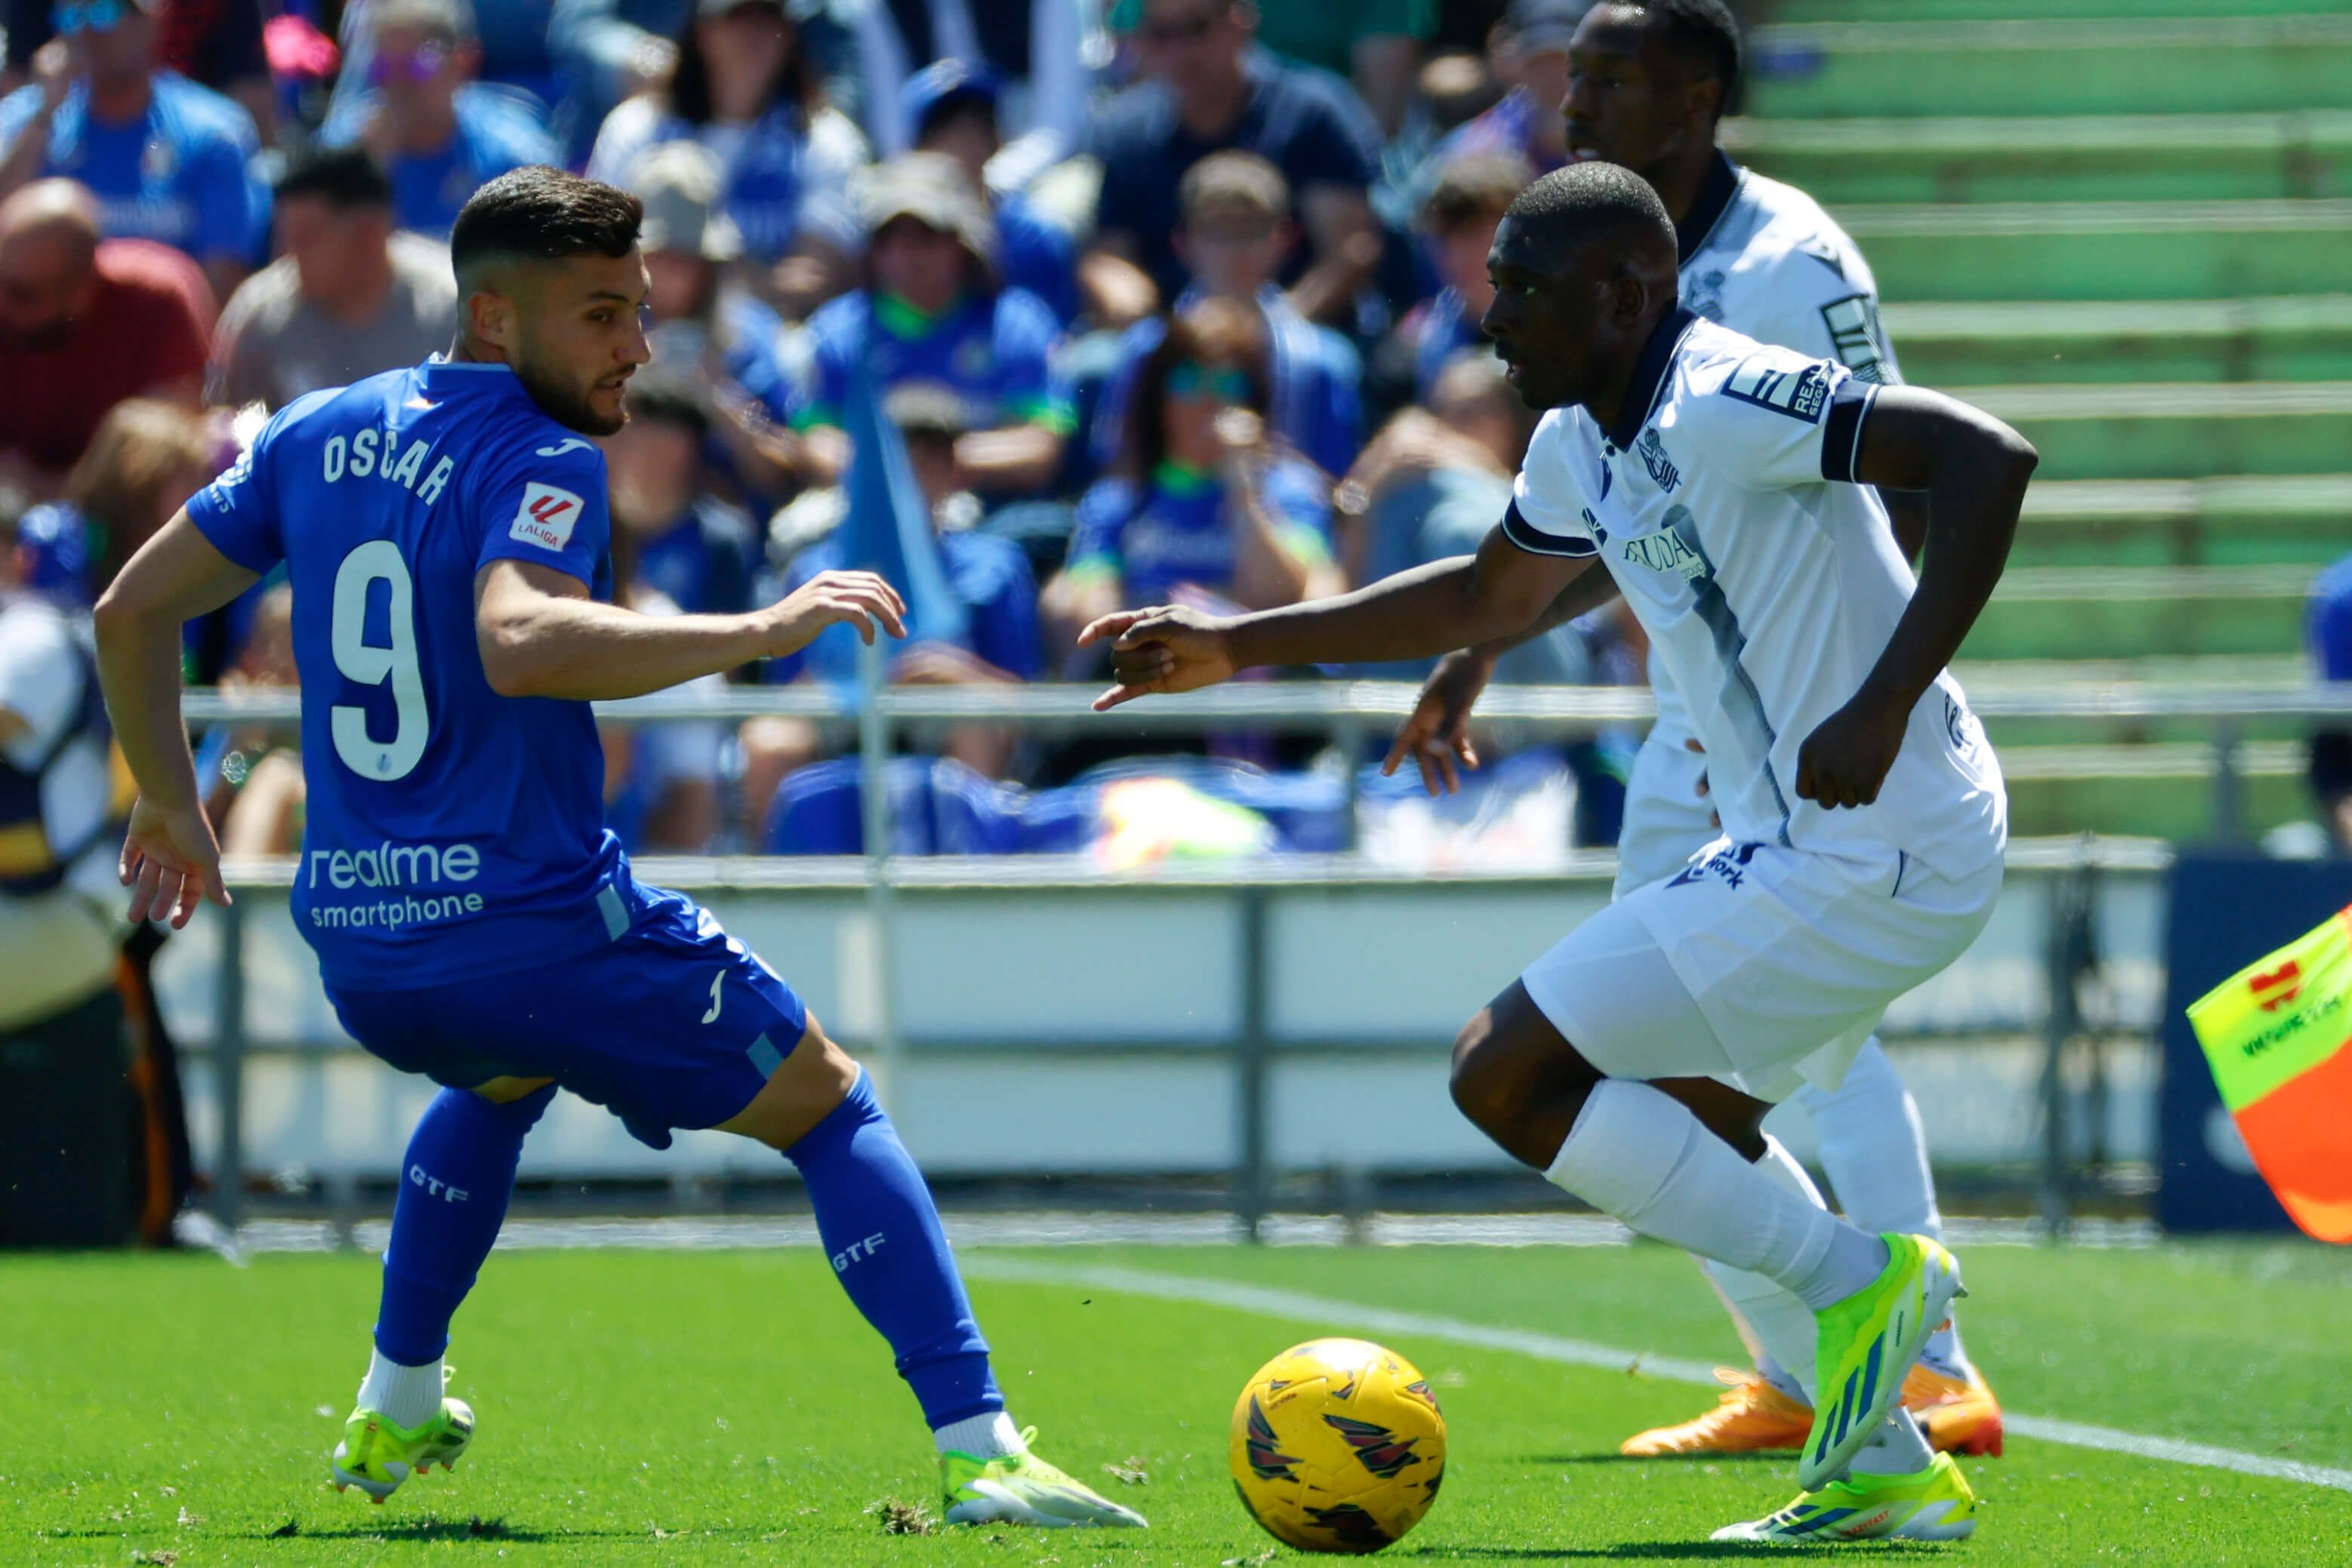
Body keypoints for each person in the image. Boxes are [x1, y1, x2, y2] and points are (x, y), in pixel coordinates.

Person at [89, 165, 1147, 1530]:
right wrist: (756, 631)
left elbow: (130, 610)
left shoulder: (311, 430)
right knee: (830, 1104)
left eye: (641, 309)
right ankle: (981, 1446)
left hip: (365, 944)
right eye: (600, 314)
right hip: (536, 928)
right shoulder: (541, 452)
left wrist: (168, 800)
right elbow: (519, 638)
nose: (637, 347)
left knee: (500, 1073)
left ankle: (397, 1396)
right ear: (491, 315)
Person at [1080, 162, 2036, 1544]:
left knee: (1506, 1069)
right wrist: (1236, 645)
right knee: (1690, 1128)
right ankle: (1881, 1457)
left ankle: (1858, 1280)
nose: (1495, 323)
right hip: (1819, 842)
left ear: (1627, 293)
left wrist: (1882, 698)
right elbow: (1490, 590)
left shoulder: (1728, 390)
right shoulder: (1578, 441)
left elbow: (1983, 457)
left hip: (1877, 839)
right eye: (1494, 291)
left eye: (1524, 292)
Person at [1395, 0, 2002, 1465]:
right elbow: (1615, 499)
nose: (1575, 100)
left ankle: (1916, 1364)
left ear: (1699, 96)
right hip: (1707, 720)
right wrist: (1480, 644)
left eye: (1614, 78)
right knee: (1666, 1072)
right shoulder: (1582, 304)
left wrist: (1869, 695)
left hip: (1816, 750)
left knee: (1765, 1048)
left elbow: (1894, 470)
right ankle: (1821, 1378)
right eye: (1573, 75)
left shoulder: (1790, 262)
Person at [1046, 297, 1342, 658]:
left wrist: (1244, 491)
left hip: (1249, 670)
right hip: (1150, 663)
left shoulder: (1291, 491)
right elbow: (1088, 606)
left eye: (1228, 385)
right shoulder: (1119, 499)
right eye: (1189, 382)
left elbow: (1283, 594)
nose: (1208, 401)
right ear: (1159, 399)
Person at [784, 152, 1071, 501]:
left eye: (926, 235)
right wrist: (901, 469)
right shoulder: (837, 333)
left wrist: (935, 463)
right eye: (889, 236)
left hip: (990, 512)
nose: (906, 253)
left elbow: (1041, 445)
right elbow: (815, 442)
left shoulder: (1018, 325)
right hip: (865, 508)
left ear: (962, 242)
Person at [1087, 0, 1383, 328]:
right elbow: (1110, 255)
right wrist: (1152, 324)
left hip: (1298, 334)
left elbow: (1352, 249)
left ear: (1241, 21)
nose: (1180, 51)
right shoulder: (1127, 132)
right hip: (1174, 337)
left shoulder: (1310, 116)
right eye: (1161, 34)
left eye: (1196, 28)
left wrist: (1272, 331)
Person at [1087, 151, 1362, 486]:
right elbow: (1121, 470)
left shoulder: (1321, 360)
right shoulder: (1148, 348)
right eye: (1218, 231)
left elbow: (1334, 483)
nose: (1236, 251)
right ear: (1184, 242)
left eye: (1252, 230)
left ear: (1284, 239)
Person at [585, 0, 868, 318]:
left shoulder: (826, 138)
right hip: (647, 330)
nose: (753, 32)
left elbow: (818, 277)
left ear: (789, 33)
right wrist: (747, 278)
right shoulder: (637, 128)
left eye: (769, 15)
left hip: (775, 337)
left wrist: (696, 278)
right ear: (702, 30)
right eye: (736, 15)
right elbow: (601, 258)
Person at [0, 0, 264, 301]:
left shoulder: (212, 133)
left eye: (104, 13)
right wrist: (43, 117)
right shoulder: (28, 120)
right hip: (49, 324)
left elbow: (221, 282)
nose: (88, 31)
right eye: (73, 17)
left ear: (151, 20)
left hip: (163, 327)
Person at [0, 180, 211, 498]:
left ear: (81, 290)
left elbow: (163, 459)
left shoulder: (155, 303)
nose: (3, 304)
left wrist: (42, 489)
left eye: (20, 293)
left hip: (119, 518)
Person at [208, 147, 460, 412]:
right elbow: (223, 421)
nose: (289, 254)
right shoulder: (260, 315)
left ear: (369, 233)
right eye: (285, 236)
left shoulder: (450, 310)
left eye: (307, 237)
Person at [319, 0, 563, 242]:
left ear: (462, 62)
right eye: (384, 69)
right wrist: (367, 175)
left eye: (416, 67)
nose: (399, 84)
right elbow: (319, 252)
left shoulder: (513, 155)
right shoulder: (341, 151)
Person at [852, 0, 1095, 193]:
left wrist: (988, 183)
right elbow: (894, 137)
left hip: (1033, 179)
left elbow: (1057, 128)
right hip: (923, 184)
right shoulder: (881, 7)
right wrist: (933, 186)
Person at [904, 60, 1077, 328]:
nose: (963, 143)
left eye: (977, 127)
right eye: (944, 130)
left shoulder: (1031, 237)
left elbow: (1054, 336)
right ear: (918, 149)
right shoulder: (897, 237)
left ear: (997, 140)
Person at [1392, 150, 1527, 406]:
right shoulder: (1424, 347)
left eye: (1473, 232)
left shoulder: (1565, 329)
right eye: (1446, 238)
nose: (1458, 255)